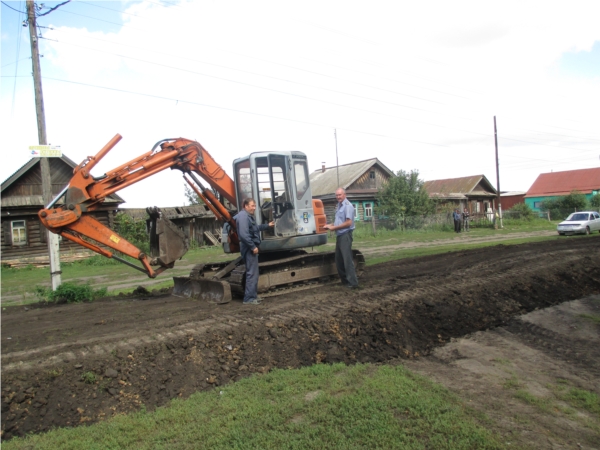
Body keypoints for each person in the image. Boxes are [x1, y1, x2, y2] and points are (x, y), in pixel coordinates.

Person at [234, 198, 275, 305]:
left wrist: (267, 225)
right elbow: (243, 235)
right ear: (246, 206)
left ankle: (253, 296)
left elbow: (255, 228)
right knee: (251, 273)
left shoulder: (247, 216)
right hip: (248, 247)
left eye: (255, 205)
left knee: (254, 273)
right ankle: (249, 299)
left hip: (249, 246)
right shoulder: (243, 217)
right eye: (252, 206)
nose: (254, 208)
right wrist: (253, 247)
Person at [323, 188, 358, 289]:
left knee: (347, 260)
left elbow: (348, 223)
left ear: (344, 195)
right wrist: (329, 225)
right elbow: (339, 222)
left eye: (340, 195)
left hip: (345, 235)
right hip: (340, 235)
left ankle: (353, 283)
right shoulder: (339, 206)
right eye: (337, 195)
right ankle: (345, 281)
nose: (338, 197)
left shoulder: (348, 206)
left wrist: (334, 228)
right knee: (338, 260)